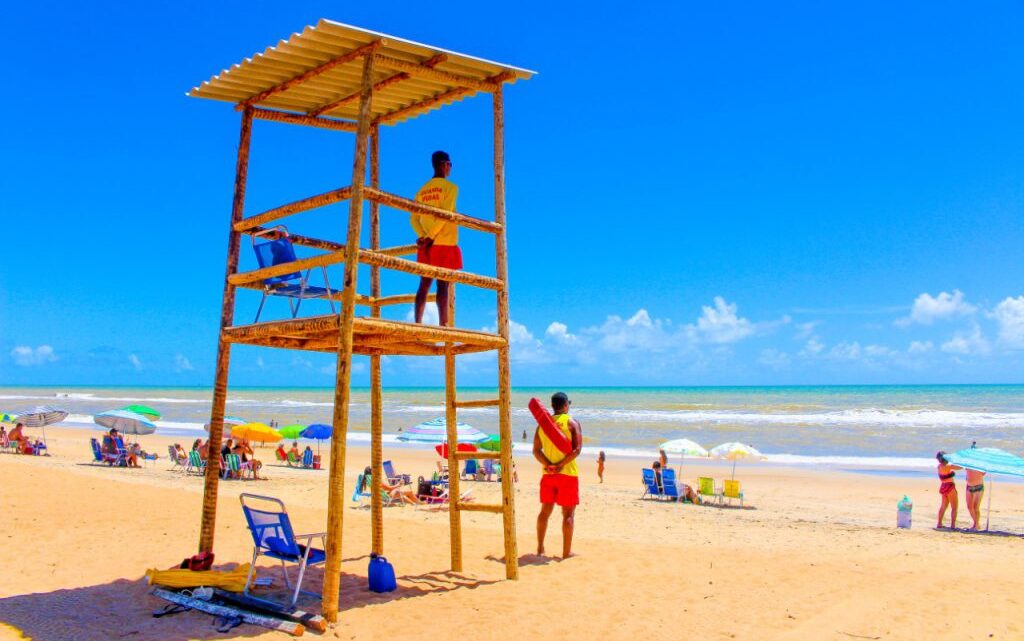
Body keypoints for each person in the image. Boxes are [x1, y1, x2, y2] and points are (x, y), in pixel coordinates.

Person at [411, 150, 460, 326]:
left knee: (424, 284)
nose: (450, 168)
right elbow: (445, 214)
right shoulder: (451, 188)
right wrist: (431, 236)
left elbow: (413, 218)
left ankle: (417, 323)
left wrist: (423, 236)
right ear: (444, 164)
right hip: (444, 241)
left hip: (427, 242)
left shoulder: (422, 190)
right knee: (443, 285)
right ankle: (443, 324)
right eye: (450, 164)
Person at [533, 392, 583, 558]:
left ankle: (540, 548)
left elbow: (536, 450)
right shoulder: (572, 423)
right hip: (567, 474)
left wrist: (548, 465)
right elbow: (576, 450)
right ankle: (566, 552)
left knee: (545, 512)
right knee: (568, 514)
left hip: (548, 475)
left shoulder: (542, 426)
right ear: (566, 405)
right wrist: (560, 465)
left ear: (553, 406)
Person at [936, 451, 962, 529]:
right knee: (954, 507)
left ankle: (939, 523)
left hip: (943, 486)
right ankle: (953, 525)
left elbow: (944, 476)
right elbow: (960, 467)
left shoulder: (939, 466)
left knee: (943, 506)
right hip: (950, 486)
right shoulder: (948, 466)